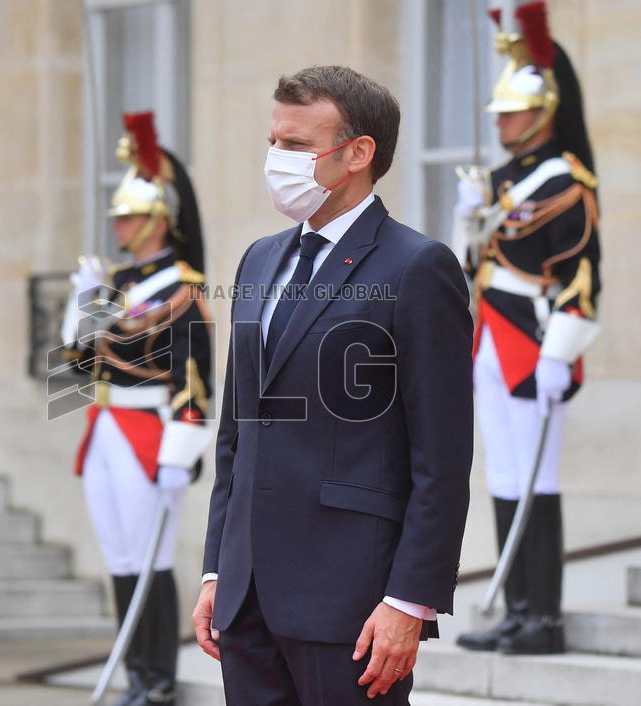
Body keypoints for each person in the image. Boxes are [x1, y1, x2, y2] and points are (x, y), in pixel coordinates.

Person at [192, 66, 473, 706]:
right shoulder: (261, 258)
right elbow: (238, 431)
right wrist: (217, 566)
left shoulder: (418, 266)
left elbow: (443, 455)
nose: (276, 160)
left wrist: (410, 599)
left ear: (358, 153)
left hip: (351, 603)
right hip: (247, 598)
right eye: (273, 142)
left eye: (295, 146)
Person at [453, 1, 601, 656]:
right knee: (506, 477)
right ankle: (517, 610)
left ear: (543, 113)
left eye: (512, 112)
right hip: (491, 332)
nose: (504, 123)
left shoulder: (566, 179)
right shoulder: (502, 179)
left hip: (536, 341)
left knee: (538, 479)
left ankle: (545, 616)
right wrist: (467, 220)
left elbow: (582, 276)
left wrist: (560, 352)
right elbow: (472, 266)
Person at [61, 112, 212, 705]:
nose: (118, 226)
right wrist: (80, 318)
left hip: (151, 429)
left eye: (127, 216)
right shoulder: (115, 280)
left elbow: (195, 376)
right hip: (104, 426)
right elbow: (75, 371)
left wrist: (184, 445)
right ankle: (135, 674)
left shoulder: (183, 284)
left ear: (154, 220)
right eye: (117, 216)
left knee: (151, 559)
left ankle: (158, 679)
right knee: (121, 559)